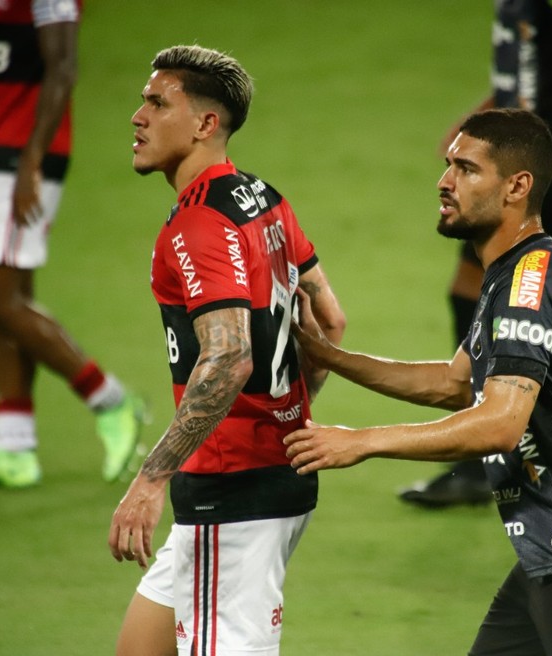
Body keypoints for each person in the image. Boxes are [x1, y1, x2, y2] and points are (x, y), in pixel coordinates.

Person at [285, 109, 552, 655]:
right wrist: (329, 355)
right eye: (448, 166)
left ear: (517, 187)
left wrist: (362, 441)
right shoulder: (514, 273)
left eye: (466, 169)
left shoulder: (531, 281)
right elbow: (453, 383)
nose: (444, 182)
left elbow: (499, 424)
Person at [106, 45, 346, 656]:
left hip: (231, 494)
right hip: (264, 478)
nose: (138, 115)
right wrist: (287, 416)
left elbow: (230, 357)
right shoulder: (261, 196)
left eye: (158, 103)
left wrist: (150, 478)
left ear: (205, 124)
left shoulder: (198, 224)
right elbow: (330, 320)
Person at [401, 0, 552, 507]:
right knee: (505, 298)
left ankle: (521, 458)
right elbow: (527, 71)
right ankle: (520, 457)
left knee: (547, 305)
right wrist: (483, 116)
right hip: (540, 148)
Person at [0, 0, 146, 489]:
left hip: (20, 155)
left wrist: (29, 162)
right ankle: (14, 447)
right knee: (14, 300)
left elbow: (64, 68)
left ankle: (111, 400)